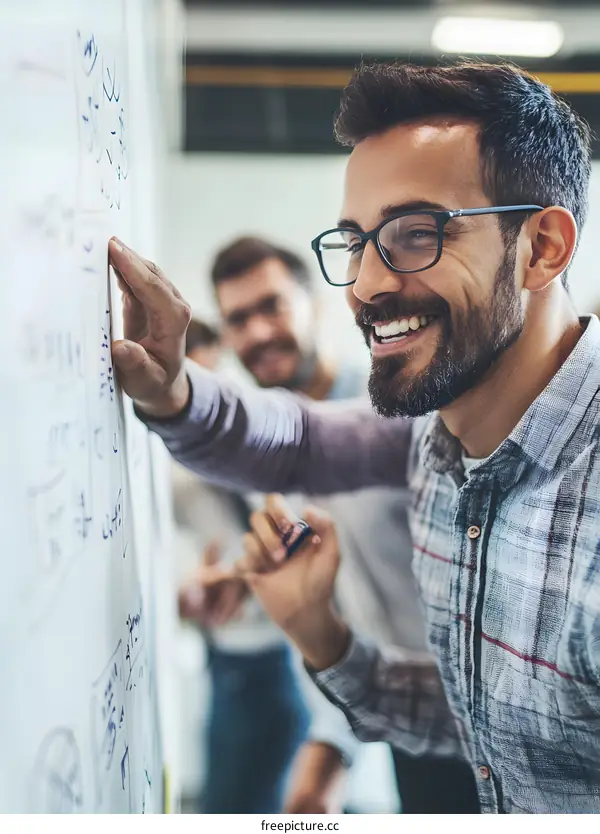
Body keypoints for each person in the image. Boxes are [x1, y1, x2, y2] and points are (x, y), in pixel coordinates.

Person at [106, 58, 600, 813]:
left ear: (542, 249)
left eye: (414, 235)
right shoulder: (436, 443)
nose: (366, 285)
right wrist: (324, 637)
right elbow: (499, 726)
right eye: (356, 243)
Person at [178, 237, 473, 813]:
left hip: (490, 723)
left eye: (272, 307)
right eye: (239, 318)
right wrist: (246, 579)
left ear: (313, 303)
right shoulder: (270, 455)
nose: (258, 332)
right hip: (403, 729)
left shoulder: (404, 410)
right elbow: (337, 602)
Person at [173, 318, 311, 814]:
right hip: (230, 655)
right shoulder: (173, 466)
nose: (206, 406)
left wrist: (247, 579)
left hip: (269, 659)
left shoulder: (261, 437)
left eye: (214, 381)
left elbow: (299, 533)